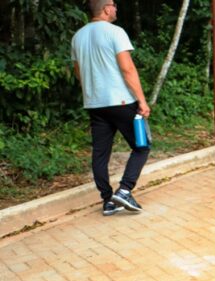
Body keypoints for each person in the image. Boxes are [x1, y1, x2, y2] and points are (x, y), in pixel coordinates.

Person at [72, 0, 149, 216]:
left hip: (95, 104)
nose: (116, 8)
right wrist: (141, 100)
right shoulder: (115, 32)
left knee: (100, 153)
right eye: (114, 4)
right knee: (142, 146)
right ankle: (124, 190)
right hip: (122, 101)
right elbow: (127, 69)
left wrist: (92, 91)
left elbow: (78, 71)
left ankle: (108, 201)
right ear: (106, 8)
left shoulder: (78, 36)